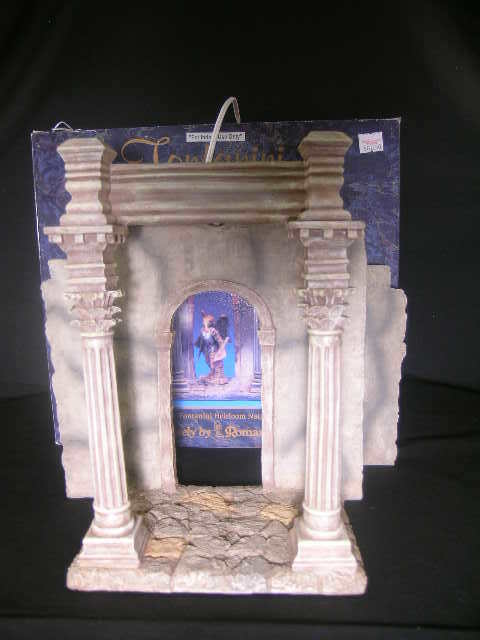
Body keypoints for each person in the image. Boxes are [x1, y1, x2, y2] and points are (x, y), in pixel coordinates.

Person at [194, 311, 229, 385]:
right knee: (208, 361)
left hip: (213, 349)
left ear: (211, 323)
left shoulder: (213, 331)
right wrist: (200, 347)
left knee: (215, 362)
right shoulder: (202, 330)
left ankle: (219, 376)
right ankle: (212, 373)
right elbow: (202, 339)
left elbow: (219, 340)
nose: (205, 323)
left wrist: (221, 349)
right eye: (204, 322)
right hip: (206, 349)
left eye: (207, 322)